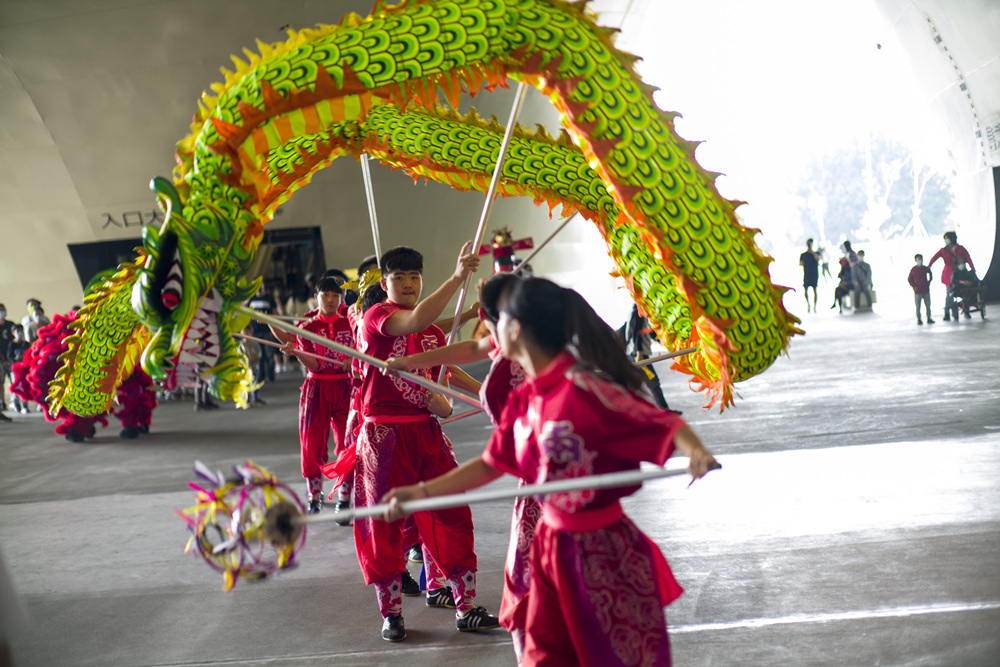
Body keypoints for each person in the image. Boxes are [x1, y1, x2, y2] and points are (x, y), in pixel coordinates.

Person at [381, 277, 718, 665]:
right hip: (549, 544)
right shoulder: (527, 397)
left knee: (612, 653)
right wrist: (419, 494)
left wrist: (696, 452)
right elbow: (492, 462)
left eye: (498, 320)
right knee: (543, 653)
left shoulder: (585, 389)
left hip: (601, 548)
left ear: (516, 328)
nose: (488, 328)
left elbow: (664, 425)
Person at [353, 242, 498, 642]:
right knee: (387, 522)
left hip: (427, 434)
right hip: (384, 437)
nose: (407, 284)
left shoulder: (434, 333)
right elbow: (414, 320)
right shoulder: (377, 316)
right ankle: (392, 612)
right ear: (384, 283)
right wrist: (457, 278)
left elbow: (449, 371)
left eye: (414, 277)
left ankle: (464, 605)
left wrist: (489, 394)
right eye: (398, 278)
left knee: (451, 511)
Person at [384, 272, 534, 658]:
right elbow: (465, 349)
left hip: (551, 461)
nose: (487, 322)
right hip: (527, 466)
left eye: (489, 314)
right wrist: (409, 361)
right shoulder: (499, 342)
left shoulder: (542, 344)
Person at [279, 277, 355, 515]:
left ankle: (344, 497)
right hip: (317, 388)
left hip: (346, 388)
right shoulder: (307, 328)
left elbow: (362, 349)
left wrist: (353, 359)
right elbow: (315, 366)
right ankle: (314, 495)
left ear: (341, 299)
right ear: (316, 298)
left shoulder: (351, 324)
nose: (331, 300)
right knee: (311, 445)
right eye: (326, 295)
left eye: (335, 296)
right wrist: (297, 353)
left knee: (349, 443)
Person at [618, 303, 672, 411]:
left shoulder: (635, 313)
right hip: (638, 354)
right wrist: (639, 353)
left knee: (643, 382)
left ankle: (662, 409)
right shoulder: (638, 313)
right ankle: (663, 409)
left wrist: (665, 341)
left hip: (634, 353)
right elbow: (636, 333)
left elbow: (649, 333)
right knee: (652, 382)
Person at [928, 231, 976, 321]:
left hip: (961, 274)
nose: (946, 240)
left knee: (965, 292)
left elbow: (968, 258)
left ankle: (966, 310)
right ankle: (947, 313)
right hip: (949, 275)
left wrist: (973, 269)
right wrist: (928, 267)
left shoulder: (961, 249)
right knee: (949, 294)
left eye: (947, 238)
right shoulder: (944, 250)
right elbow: (934, 258)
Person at [5, 326, 30, 414]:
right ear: (13, 333)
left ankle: (25, 405)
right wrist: (15, 359)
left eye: (21, 331)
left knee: (25, 386)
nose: (20, 333)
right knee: (16, 386)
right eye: (17, 331)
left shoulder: (26, 344)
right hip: (15, 369)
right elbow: (9, 357)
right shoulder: (11, 344)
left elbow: (30, 354)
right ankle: (16, 403)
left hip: (24, 368)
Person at [907, 254, 934, 326]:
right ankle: (919, 319)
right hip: (918, 291)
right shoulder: (913, 269)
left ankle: (929, 318)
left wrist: (928, 282)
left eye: (920, 259)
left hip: (925, 290)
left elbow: (930, 275)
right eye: (918, 259)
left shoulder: (925, 268)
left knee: (928, 305)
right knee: (918, 306)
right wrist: (914, 286)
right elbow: (909, 279)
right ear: (915, 260)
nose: (919, 260)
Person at [0, 304, 14, 422]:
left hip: (9, 357)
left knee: (9, 382)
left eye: (3, 310)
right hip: (1, 358)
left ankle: (3, 405)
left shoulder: (10, 325)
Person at [799, 238, 820, 313]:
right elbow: (800, 263)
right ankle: (808, 304)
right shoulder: (803, 255)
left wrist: (812, 252)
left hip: (814, 273)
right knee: (806, 290)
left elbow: (818, 259)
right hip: (807, 273)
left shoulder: (816, 253)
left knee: (815, 290)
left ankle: (814, 306)